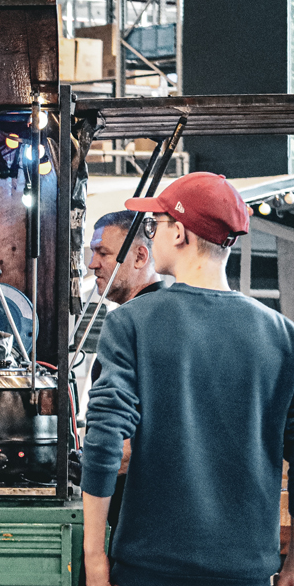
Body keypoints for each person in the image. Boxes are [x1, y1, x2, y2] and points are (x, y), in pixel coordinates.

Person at [82, 172, 294, 586]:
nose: (151, 237)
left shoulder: (132, 324)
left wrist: (95, 553)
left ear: (179, 232)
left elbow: (103, 439)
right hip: (244, 583)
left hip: (152, 581)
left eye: (154, 226)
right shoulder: (284, 336)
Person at [86, 210, 165, 531]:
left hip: (137, 515)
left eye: (102, 252)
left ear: (140, 256)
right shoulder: (147, 316)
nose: (92, 264)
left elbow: (127, 442)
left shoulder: (138, 322)